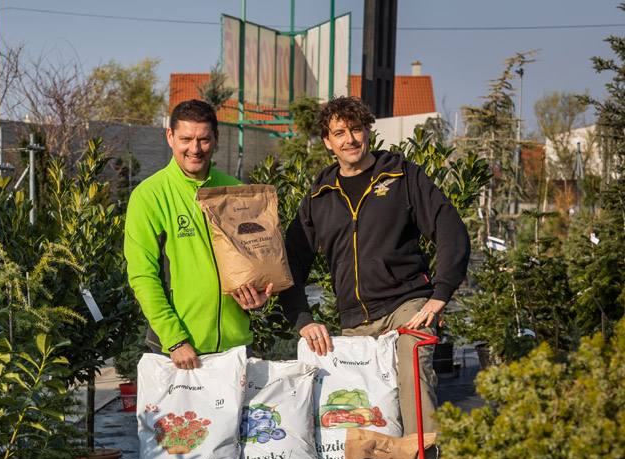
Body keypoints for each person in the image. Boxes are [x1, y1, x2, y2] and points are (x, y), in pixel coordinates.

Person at [279, 95, 470, 438]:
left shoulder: (400, 176)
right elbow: (290, 260)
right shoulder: (319, 196)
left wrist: (440, 293)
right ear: (327, 141)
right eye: (339, 133)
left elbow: (449, 226)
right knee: (364, 413)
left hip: (406, 306)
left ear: (368, 131)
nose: (350, 139)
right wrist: (302, 318)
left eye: (356, 129)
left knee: (413, 371)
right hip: (355, 321)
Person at [124, 99, 271, 369]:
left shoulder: (235, 190)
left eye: (203, 139)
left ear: (215, 139)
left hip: (237, 347)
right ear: (170, 137)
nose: (195, 149)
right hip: (178, 352)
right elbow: (143, 277)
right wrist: (175, 340)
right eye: (186, 138)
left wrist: (259, 298)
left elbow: (254, 261)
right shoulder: (149, 196)